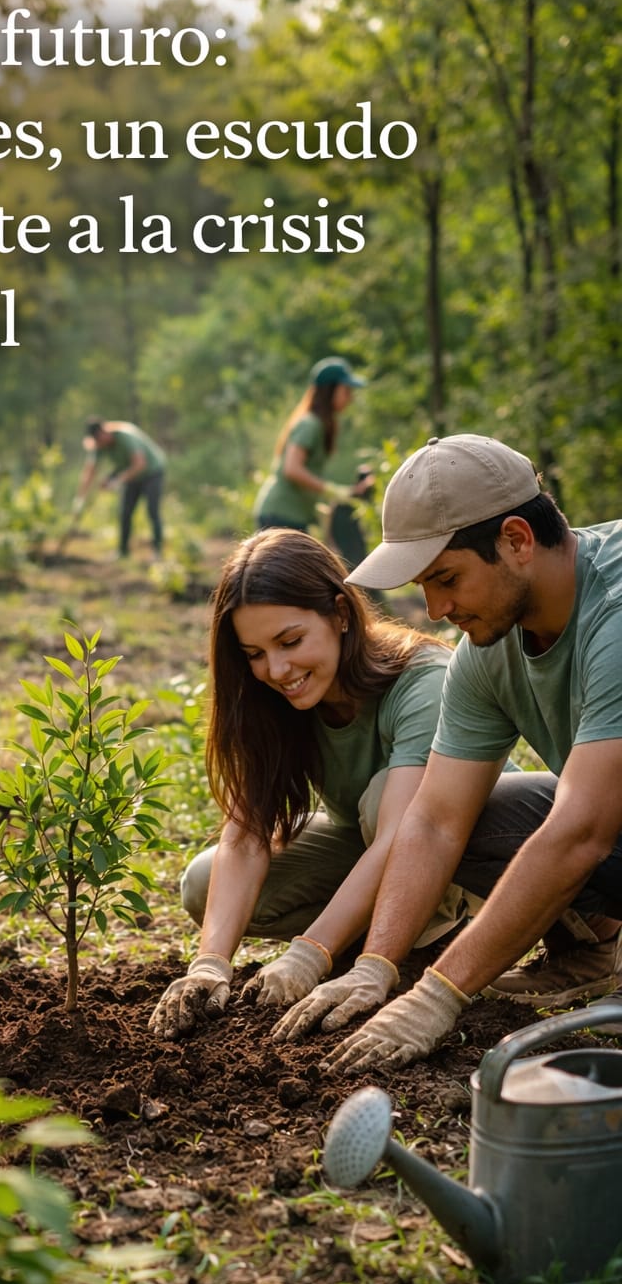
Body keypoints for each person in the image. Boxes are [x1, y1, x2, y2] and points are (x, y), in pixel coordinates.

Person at [279, 434, 622, 1074]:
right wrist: (376, 966)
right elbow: (436, 820)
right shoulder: (488, 649)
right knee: (480, 816)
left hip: (600, 828)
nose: (436, 610)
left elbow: (581, 833)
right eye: (424, 586)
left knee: (569, 824)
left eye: (447, 579)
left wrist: (437, 995)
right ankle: (592, 951)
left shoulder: (616, 614)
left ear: (516, 540)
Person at [148, 527, 478, 1042]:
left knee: (381, 802)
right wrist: (209, 964)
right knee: (202, 883)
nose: (277, 669)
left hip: (459, 851)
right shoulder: (274, 698)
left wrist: (310, 953)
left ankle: (433, 933)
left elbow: (404, 834)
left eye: (290, 642)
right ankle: (386, 940)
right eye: (254, 653)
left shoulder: (422, 680)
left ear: (341, 614)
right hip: (369, 841)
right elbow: (245, 835)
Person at [253, 356, 372, 533]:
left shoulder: (320, 424)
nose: (350, 398)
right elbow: (292, 469)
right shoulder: (310, 424)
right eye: (346, 391)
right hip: (280, 515)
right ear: (330, 390)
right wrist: (333, 491)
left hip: (292, 516)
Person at [76, 417, 167, 559]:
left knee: (152, 511)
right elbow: (90, 472)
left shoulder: (125, 437)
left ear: (104, 433)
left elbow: (140, 464)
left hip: (151, 472)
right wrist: (80, 498)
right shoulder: (99, 446)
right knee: (125, 512)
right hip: (130, 474)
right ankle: (123, 551)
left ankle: (157, 551)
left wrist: (117, 480)